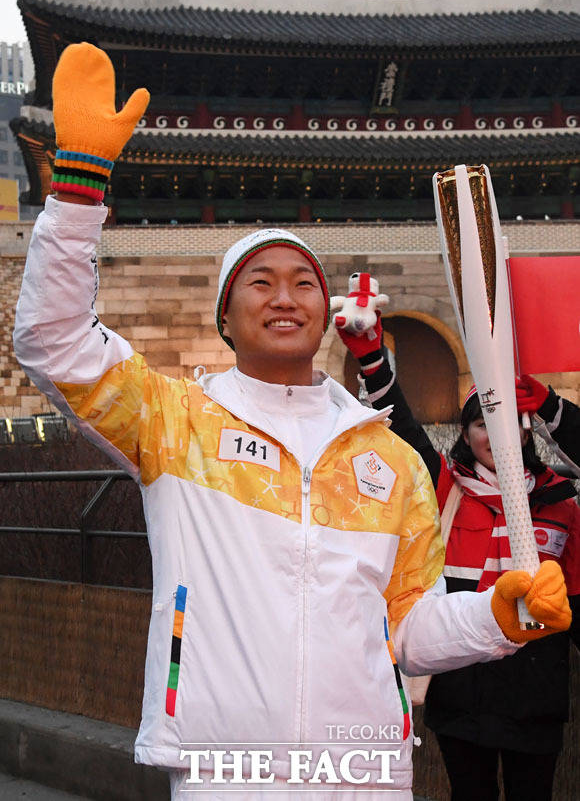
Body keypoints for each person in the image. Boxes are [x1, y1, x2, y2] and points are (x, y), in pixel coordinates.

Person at [13, 43, 572, 800]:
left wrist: (496, 618)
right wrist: (78, 195)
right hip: (226, 772)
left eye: (304, 281)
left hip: (364, 772)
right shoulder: (174, 421)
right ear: (227, 319)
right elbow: (54, 342)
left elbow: (409, 630)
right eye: (260, 282)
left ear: (324, 309)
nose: (286, 296)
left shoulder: (390, 460)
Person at [339, 313, 580, 801]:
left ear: (528, 430)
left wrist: (554, 406)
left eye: (511, 421)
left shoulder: (561, 500)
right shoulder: (443, 488)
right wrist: (371, 360)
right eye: (482, 423)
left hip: (535, 695)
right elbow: (403, 432)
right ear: (466, 434)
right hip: (462, 689)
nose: (496, 434)